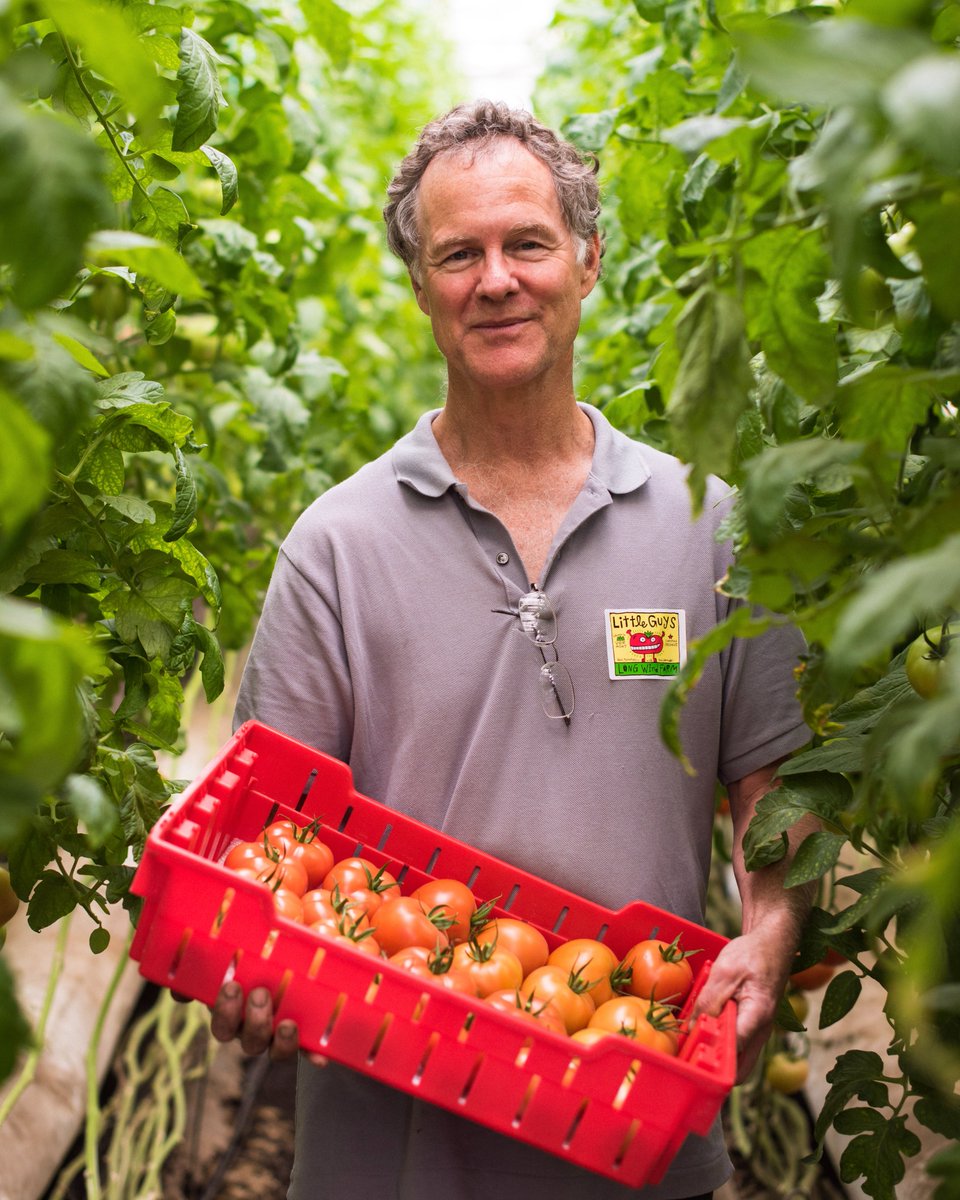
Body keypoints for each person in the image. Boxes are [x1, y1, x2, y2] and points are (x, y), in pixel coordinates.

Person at [212, 100, 816, 1200]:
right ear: (420, 286)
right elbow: (265, 846)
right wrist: (250, 964)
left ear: (586, 264)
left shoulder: (709, 528)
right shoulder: (337, 547)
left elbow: (769, 792)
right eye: (458, 254)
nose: (496, 279)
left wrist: (770, 931)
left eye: (526, 243)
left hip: (640, 1130)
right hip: (385, 1154)